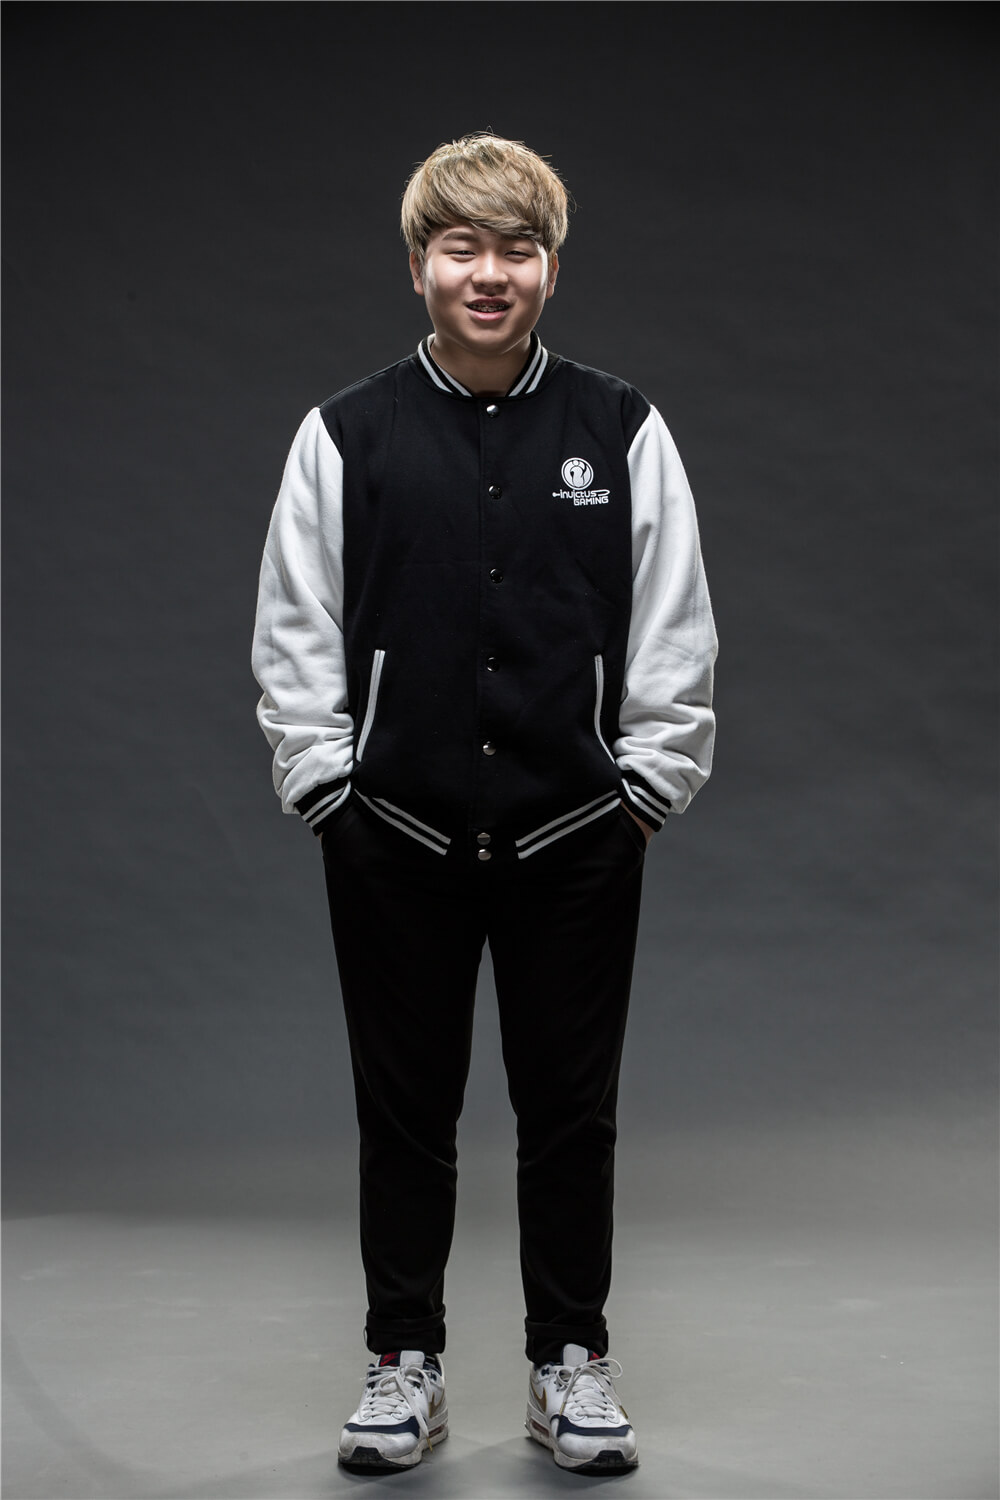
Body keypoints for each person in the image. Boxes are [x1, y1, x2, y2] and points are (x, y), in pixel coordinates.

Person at [252, 132, 717, 1476]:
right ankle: (402, 1364)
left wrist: (645, 788)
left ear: (552, 270)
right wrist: (326, 787)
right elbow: (294, 623)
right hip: (393, 838)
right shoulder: (346, 435)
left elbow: (674, 617)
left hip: (578, 836)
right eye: (462, 247)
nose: (490, 273)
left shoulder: (621, 429)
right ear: (419, 267)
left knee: (572, 1109)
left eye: (518, 248)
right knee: (403, 1110)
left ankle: (571, 1365)